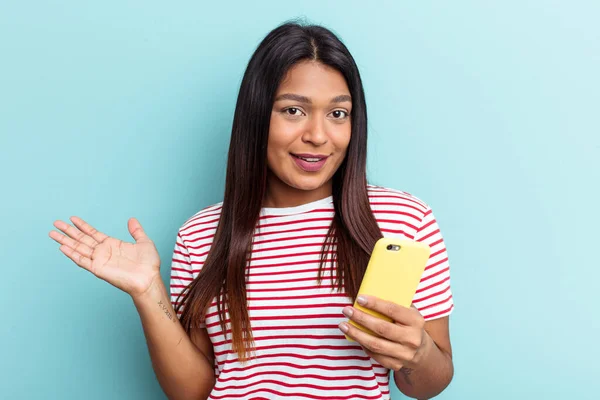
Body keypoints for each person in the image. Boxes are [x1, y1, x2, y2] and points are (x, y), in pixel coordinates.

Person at [49, 21, 454, 400]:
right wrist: (147, 291)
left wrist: (417, 354)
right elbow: (192, 390)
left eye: (337, 113)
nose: (317, 135)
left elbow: (430, 383)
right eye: (293, 110)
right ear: (257, 116)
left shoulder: (403, 219)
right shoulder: (200, 235)